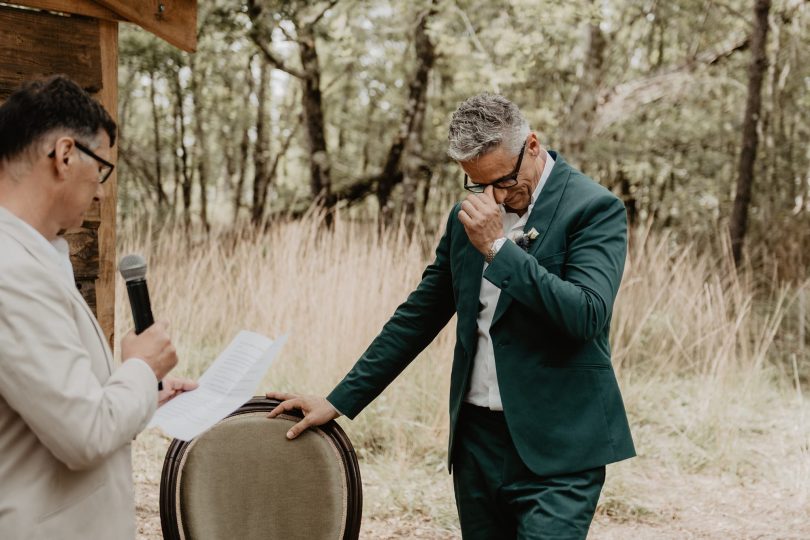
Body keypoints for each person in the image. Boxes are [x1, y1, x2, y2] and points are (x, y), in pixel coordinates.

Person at [267, 93, 635, 538]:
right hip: (477, 443)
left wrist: (498, 249)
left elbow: (586, 315)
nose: (495, 196)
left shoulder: (594, 209)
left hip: (560, 451)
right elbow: (418, 316)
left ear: (533, 146)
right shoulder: (467, 218)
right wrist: (339, 400)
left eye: (505, 180)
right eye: (478, 183)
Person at [0, 76, 196, 539]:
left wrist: (146, 390)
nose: (102, 191)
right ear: (65, 155)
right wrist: (141, 369)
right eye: (102, 169)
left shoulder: (37, 254)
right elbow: (85, 434)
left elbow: (57, 402)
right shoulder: (11, 271)